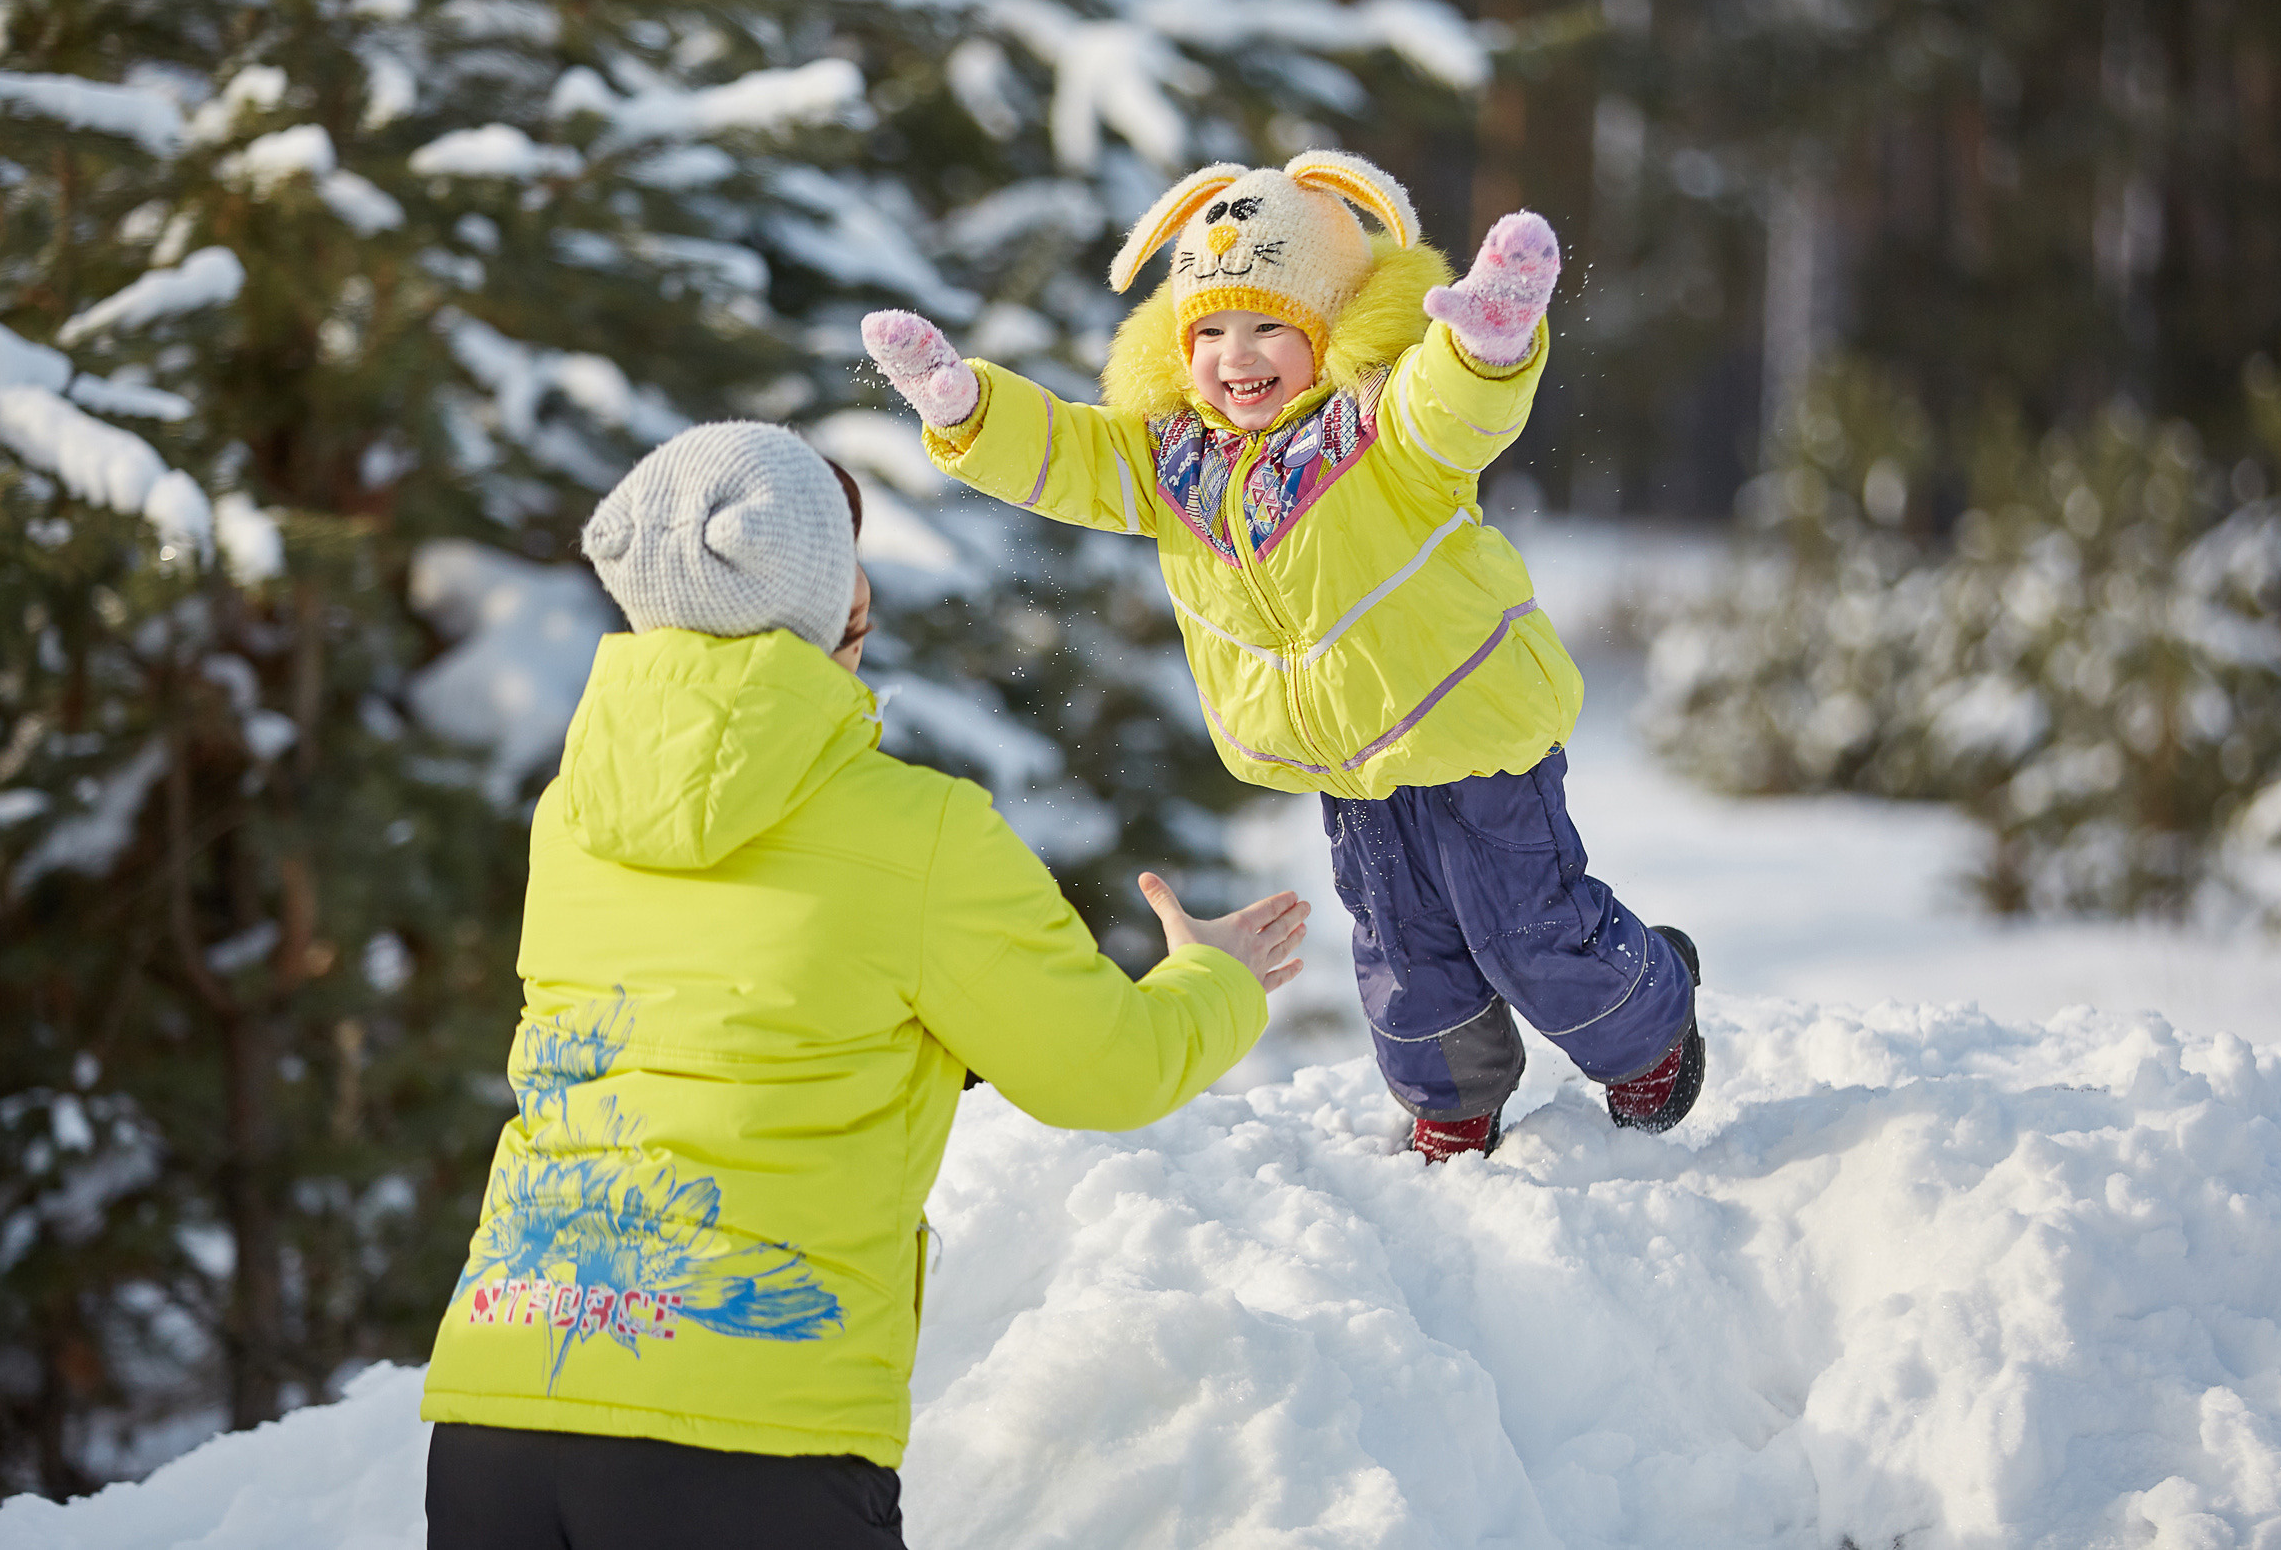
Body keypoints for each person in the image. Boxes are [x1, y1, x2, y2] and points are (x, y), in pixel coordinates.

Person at [418, 421, 1308, 1549]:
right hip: (746, 1433)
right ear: (833, 598)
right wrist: (1212, 979)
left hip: (502, 1408)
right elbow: (1108, 1070)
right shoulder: (921, 834)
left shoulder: (575, 819)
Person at [859, 151, 1703, 1164]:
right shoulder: (1174, 463)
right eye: (1208, 330)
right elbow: (1068, 458)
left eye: (1269, 326)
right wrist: (966, 409)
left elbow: (1452, 412)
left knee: (1526, 930)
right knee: (1402, 952)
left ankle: (1647, 1025)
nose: (1237, 355)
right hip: (1344, 764)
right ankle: (1450, 1101)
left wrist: (1484, 346)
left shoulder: (1380, 428)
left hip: (1472, 734)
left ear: (1328, 329)